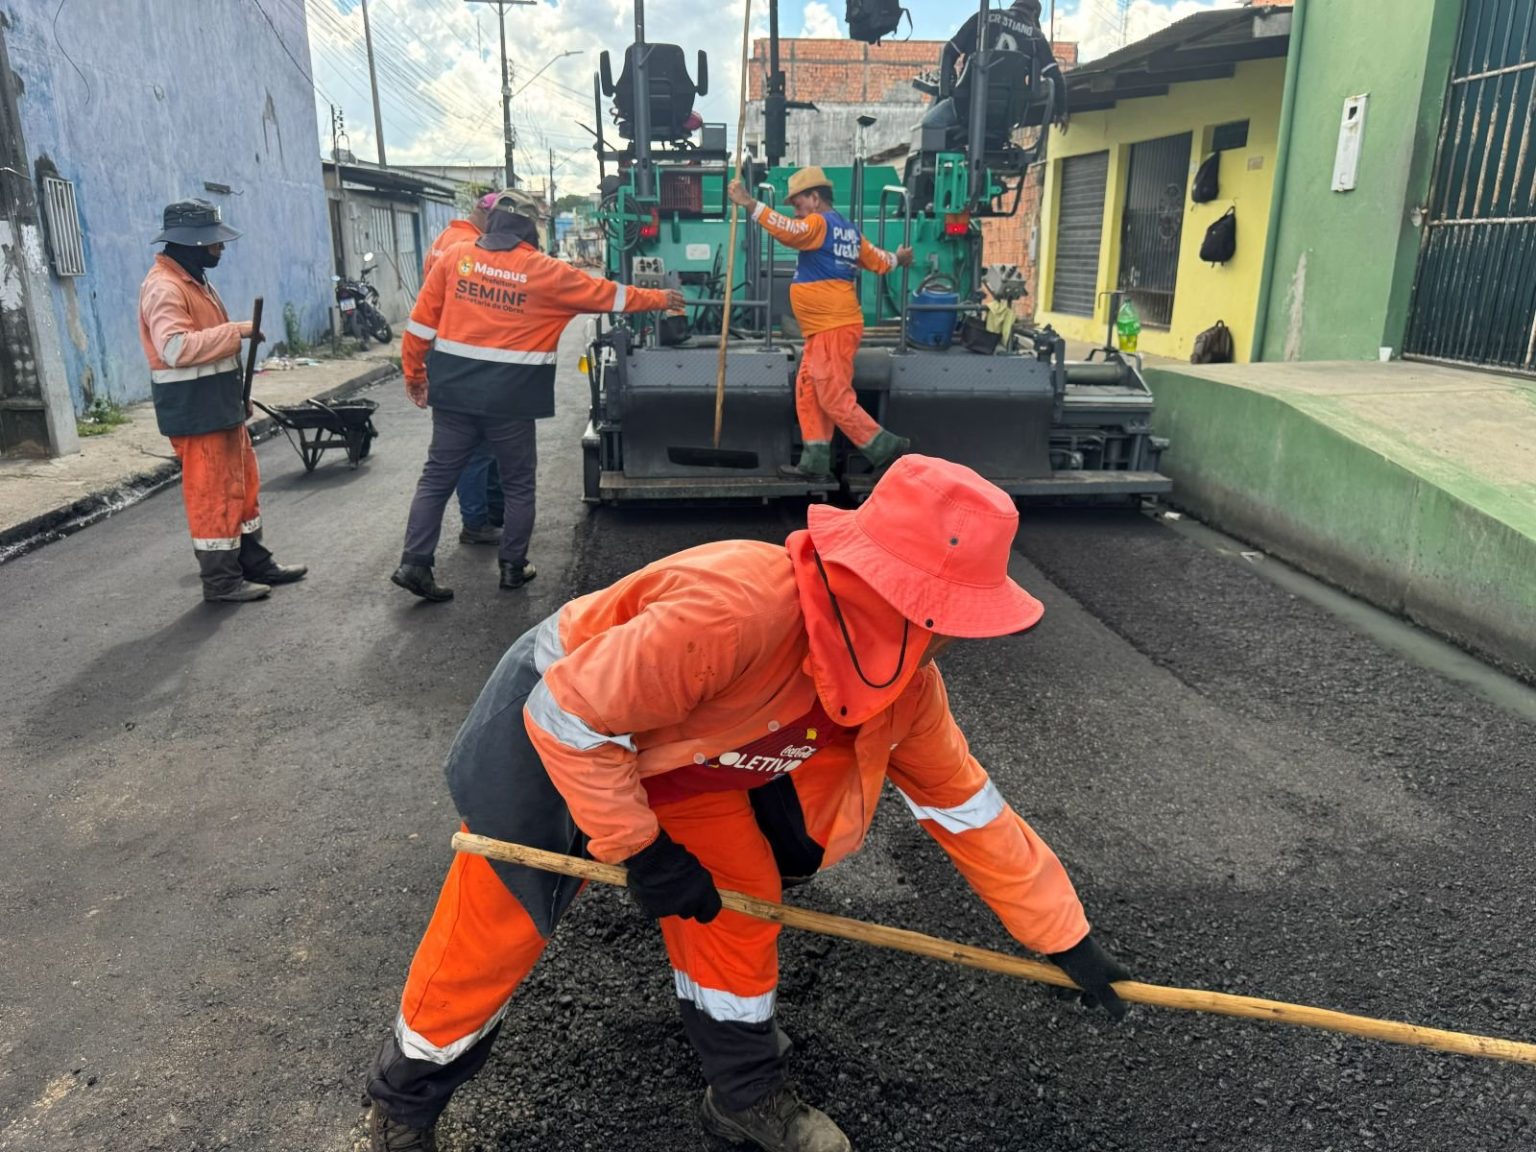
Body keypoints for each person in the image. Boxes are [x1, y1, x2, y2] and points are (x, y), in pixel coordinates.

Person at [364, 454, 1132, 1152]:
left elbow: (967, 808)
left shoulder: (905, 690)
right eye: (944, 616)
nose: (951, 641)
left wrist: (1063, 936)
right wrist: (642, 849)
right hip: (557, 725)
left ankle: (744, 1095)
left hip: (681, 757)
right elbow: (570, 716)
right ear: (881, 589)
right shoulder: (738, 610)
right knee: (500, 923)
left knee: (741, 899)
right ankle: (404, 1108)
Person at [391, 194, 682, 602]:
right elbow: (609, 295)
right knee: (518, 484)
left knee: (437, 478)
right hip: (511, 400)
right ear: (532, 229)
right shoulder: (546, 272)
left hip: (453, 394)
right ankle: (513, 567)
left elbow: (420, 327)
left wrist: (415, 375)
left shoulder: (456, 258)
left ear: (492, 223)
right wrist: (661, 298)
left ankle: (414, 564)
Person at [137, 199, 307, 603]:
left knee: (242, 488)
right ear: (192, 243)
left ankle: (255, 564)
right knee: (213, 495)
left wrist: (236, 398)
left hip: (219, 407)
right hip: (196, 414)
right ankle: (221, 582)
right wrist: (238, 331)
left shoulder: (193, 280)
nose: (221, 249)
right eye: (214, 243)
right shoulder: (164, 287)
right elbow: (175, 348)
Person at [727, 168, 914, 481]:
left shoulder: (817, 223)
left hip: (833, 326)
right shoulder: (849, 231)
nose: (795, 209)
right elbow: (878, 260)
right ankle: (815, 462)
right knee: (809, 390)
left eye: (798, 202)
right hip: (826, 328)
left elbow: (789, 231)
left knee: (833, 396)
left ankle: (886, 447)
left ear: (815, 198)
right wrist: (899, 258)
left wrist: (749, 203)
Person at [422, 191, 516, 549]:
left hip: (447, 353)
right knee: (475, 448)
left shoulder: (444, 240)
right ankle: (475, 522)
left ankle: (491, 513)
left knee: (484, 444)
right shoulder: (469, 248)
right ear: (484, 214)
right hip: (465, 357)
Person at [939, 0, 1069, 132]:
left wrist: (948, 87)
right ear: (1034, 14)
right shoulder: (1037, 37)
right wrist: (1061, 111)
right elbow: (1055, 77)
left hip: (967, 106)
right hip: (1008, 116)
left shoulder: (982, 17)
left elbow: (949, 50)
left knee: (930, 124)